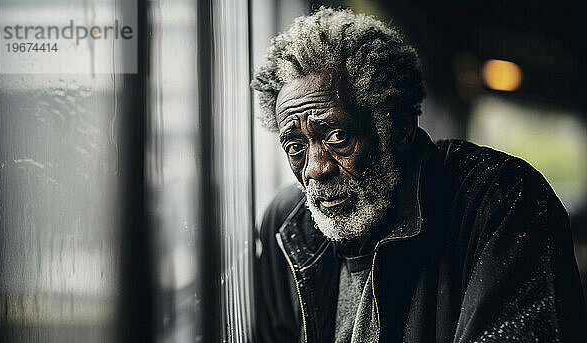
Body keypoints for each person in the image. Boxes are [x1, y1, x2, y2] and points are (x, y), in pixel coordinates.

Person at [251, 8, 586, 343]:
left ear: (399, 129)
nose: (314, 168)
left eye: (338, 137)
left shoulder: (501, 201)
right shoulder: (287, 225)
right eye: (295, 146)